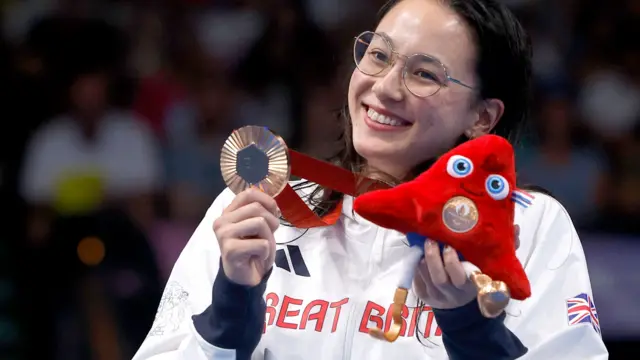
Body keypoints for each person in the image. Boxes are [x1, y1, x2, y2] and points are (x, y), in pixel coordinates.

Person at [133, 0, 609, 359]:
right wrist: (231, 306)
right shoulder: (259, 207)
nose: (383, 87)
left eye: (425, 73)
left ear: (482, 116)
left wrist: (471, 329)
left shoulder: (530, 230)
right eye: (379, 56)